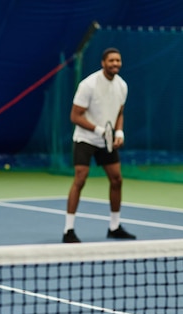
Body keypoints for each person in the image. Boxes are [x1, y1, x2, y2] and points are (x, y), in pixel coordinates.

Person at [62, 47, 136, 244]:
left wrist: (119, 132)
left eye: (118, 61)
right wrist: (99, 131)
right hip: (86, 139)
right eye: (111, 61)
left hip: (107, 140)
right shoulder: (89, 85)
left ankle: (114, 226)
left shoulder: (122, 86)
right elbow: (74, 116)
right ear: (103, 63)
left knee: (117, 180)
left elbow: (119, 113)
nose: (115, 64)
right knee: (80, 178)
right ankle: (68, 230)